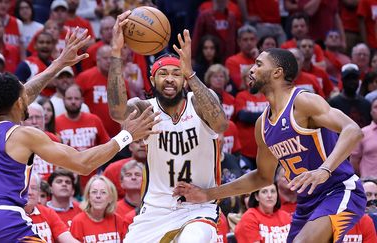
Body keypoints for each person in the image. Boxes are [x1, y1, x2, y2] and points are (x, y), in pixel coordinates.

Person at [0, 29, 159, 242]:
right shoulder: (23, 135)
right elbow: (83, 163)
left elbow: (21, 94)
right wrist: (126, 135)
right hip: (1, 222)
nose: (28, 95)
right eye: (23, 94)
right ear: (20, 102)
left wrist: (58, 64)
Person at [173, 48, 367, 243]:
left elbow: (352, 129)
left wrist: (325, 169)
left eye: (258, 64)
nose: (251, 69)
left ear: (277, 72)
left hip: (340, 190)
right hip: (307, 202)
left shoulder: (303, 101)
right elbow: (262, 177)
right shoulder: (263, 125)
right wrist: (208, 193)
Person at [107, 11, 229, 243]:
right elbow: (117, 112)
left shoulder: (198, 102)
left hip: (199, 206)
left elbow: (220, 123)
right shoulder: (146, 109)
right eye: (163, 74)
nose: (170, 79)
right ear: (152, 81)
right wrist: (115, 52)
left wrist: (190, 72)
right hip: (156, 208)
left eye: (176, 74)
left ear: (184, 79)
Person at [70, 175, 126, 242]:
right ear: (88, 196)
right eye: (94, 192)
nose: (98, 196)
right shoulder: (78, 222)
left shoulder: (118, 220)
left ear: (110, 198)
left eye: (103, 192)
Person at [25, 174, 79, 243]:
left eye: (34, 188)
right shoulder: (10, 215)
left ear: (38, 191)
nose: (30, 192)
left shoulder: (47, 212)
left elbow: (66, 237)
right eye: (26, 188)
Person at [350, 98, 377, 178]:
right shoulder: (362, 133)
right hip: (368, 182)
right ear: (371, 112)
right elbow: (354, 161)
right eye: (376, 107)